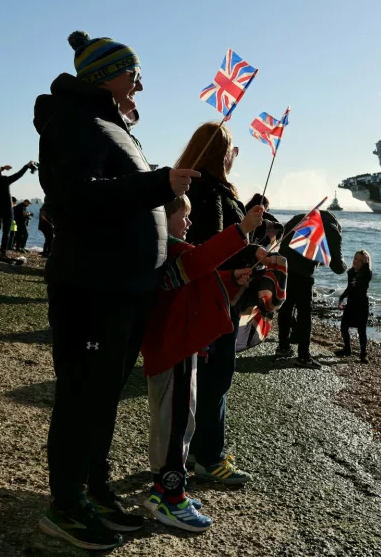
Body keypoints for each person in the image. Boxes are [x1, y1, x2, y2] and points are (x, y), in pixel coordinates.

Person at [33, 30, 198, 551]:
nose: (141, 87)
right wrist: (158, 186)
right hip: (92, 288)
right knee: (82, 395)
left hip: (125, 289)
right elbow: (76, 197)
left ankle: (94, 488)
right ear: (106, 76)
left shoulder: (110, 125)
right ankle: (64, 505)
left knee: (103, 397)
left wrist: (165, 205)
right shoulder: (70, 120)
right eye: (135, 76)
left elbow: (119, 194)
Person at [140, 194, 262, 532]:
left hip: (176, 347)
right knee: (177, 424)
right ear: (166, 218)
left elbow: (197, 279)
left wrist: (230, 277)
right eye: (185, 216)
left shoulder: (169, 252)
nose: (190, 223)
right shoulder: (171, 250)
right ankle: (172, 497)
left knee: (174, 421)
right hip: (175, 349)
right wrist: (242, 230)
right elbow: (200, 262)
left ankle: (161, 488)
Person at [177, 122, 267, 485]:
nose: (235, 157)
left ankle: (199, 450)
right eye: (232, 150)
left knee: (207, 378)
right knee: (217, 377)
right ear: (220, 154)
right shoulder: (210, 191)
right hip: (217, 298)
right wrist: (243, 249)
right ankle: (209, 459)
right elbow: (211, 245)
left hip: (213, 294)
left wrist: (251, 247)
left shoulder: (196, 186)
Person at [277, 210, 348, 367]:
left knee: (286, 307)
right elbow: (338, 267)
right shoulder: (331, 228)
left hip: (284, 267)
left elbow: (282, 237)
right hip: (302, 273)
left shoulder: (302, 217)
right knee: (304, 314)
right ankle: (303, 356)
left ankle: (283, 347)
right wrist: (347, 267)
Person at [0, 164, 34, 256]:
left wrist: (2, 168)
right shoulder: (4, 180)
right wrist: (26, 166)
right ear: (0, 172)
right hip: (7, 208)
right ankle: (3, 250)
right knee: (6, 231)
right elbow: (18, 175)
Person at [335, 250, 373, 363]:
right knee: (344, 327)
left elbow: (366, 275)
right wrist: (341, 298)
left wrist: (366, 263)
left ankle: (363, 354)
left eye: (360, 260)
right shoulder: (351, 272)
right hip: (351, 304)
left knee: (362, 331)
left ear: (365, 262)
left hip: (362, 305)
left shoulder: (367, 273)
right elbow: (349, 288)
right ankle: (347, 349)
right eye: (355, 258)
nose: (356, 261)